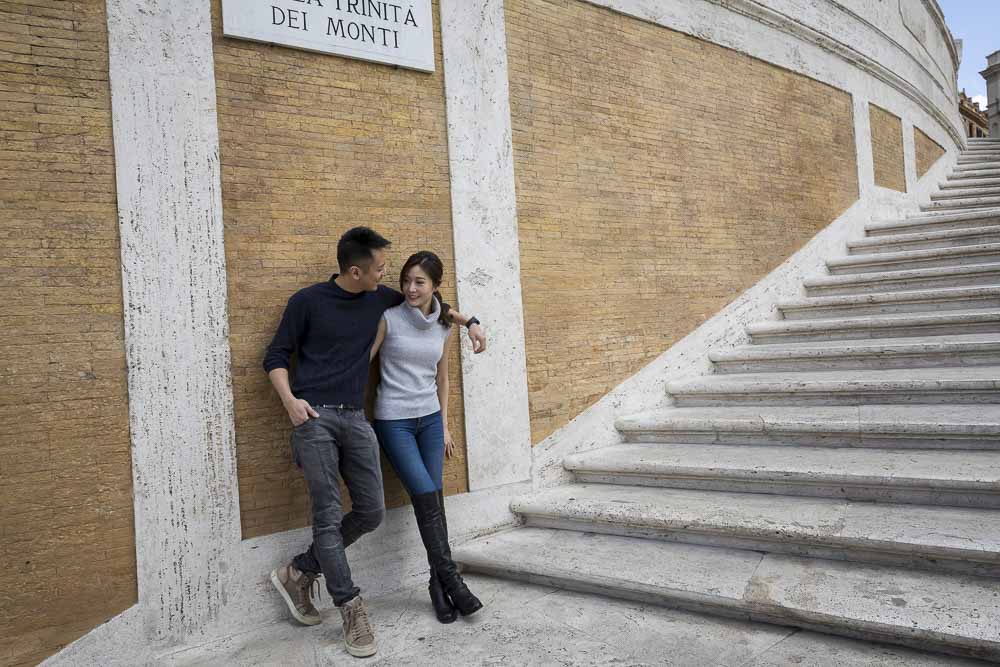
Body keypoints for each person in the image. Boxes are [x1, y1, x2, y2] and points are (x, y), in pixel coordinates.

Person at [263, 227, 485, 659]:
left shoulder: (380, 299)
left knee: (371, 511)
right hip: (314, 418)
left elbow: (434, 306)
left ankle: (300, 570)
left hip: (356, 418)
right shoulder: (306, 302)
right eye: (382, 269)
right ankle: (351, 606)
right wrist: (290, 401)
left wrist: (471, 322)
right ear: (355, 270)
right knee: (328, 517)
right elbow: (274, 356)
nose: (391, 279)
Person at [369, 251, 483, 625]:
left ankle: (438, 587)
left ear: (435, 285)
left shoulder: (443, 325)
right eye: (406, 280)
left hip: (430, 421)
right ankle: (453, 581)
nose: (410, 288)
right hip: (394, 421)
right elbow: (361, 361)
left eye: (419, 282)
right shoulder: (388, 318)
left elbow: (442, 378)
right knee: (424, 497)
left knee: (435, 499)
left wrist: (446, 424)